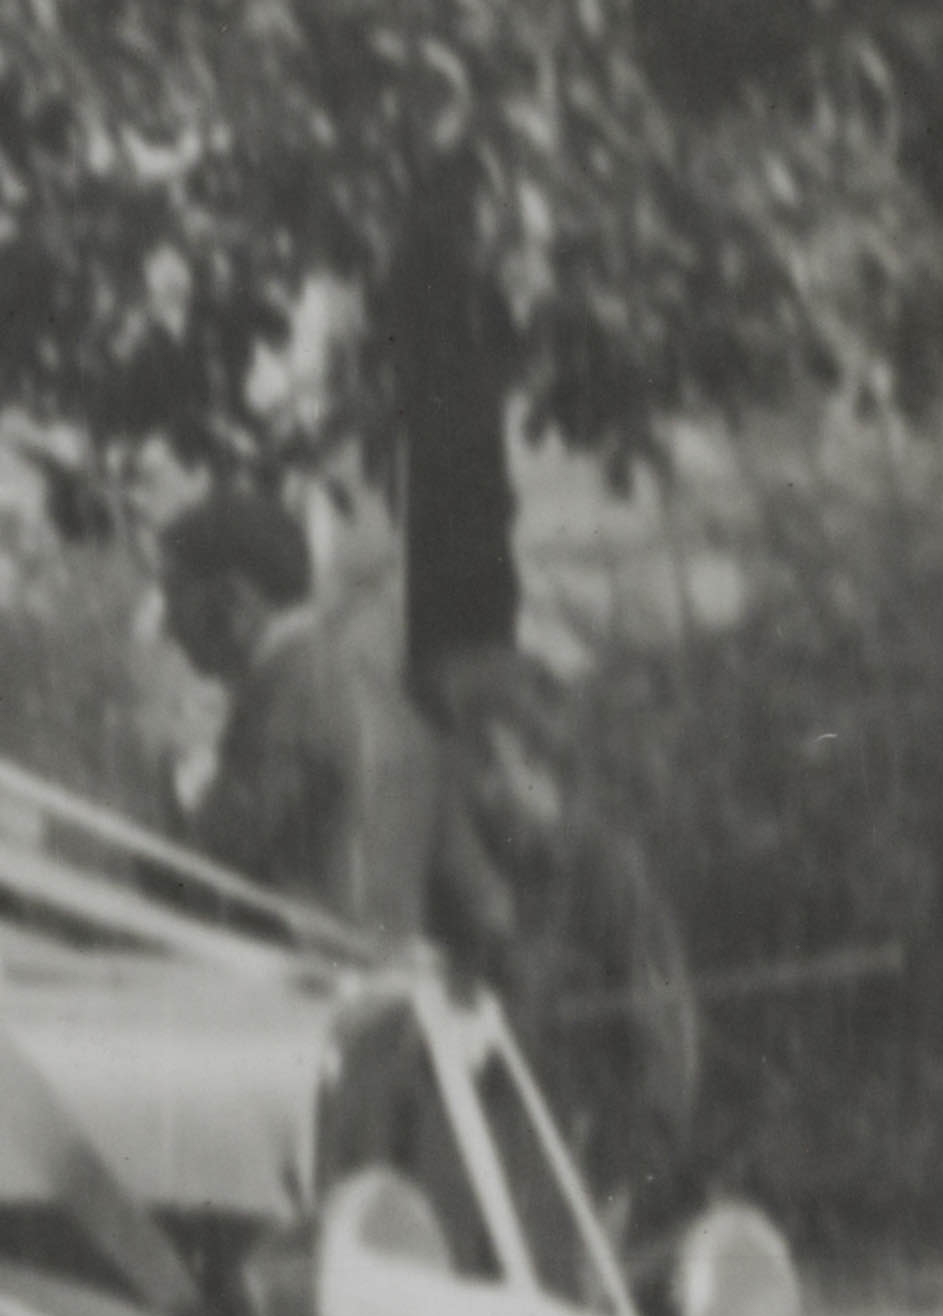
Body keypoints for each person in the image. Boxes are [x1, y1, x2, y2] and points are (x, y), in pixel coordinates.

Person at [414, 646, 700, 1224]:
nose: (478, 791)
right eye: (471, 769)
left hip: (588, 1187)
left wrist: (619, 1188)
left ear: (540, 762)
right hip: (499, 1181)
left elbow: (665, 1058)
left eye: (492, 766)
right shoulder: (477, 881)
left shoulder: (608, 874)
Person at [160, 486, 435, 935]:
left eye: (175, 596)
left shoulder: (285, 695)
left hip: (311, 978)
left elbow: (204, 871)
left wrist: (168, 776)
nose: (168, 627)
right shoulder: (372, 686)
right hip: (382, 964)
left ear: (234, 601)